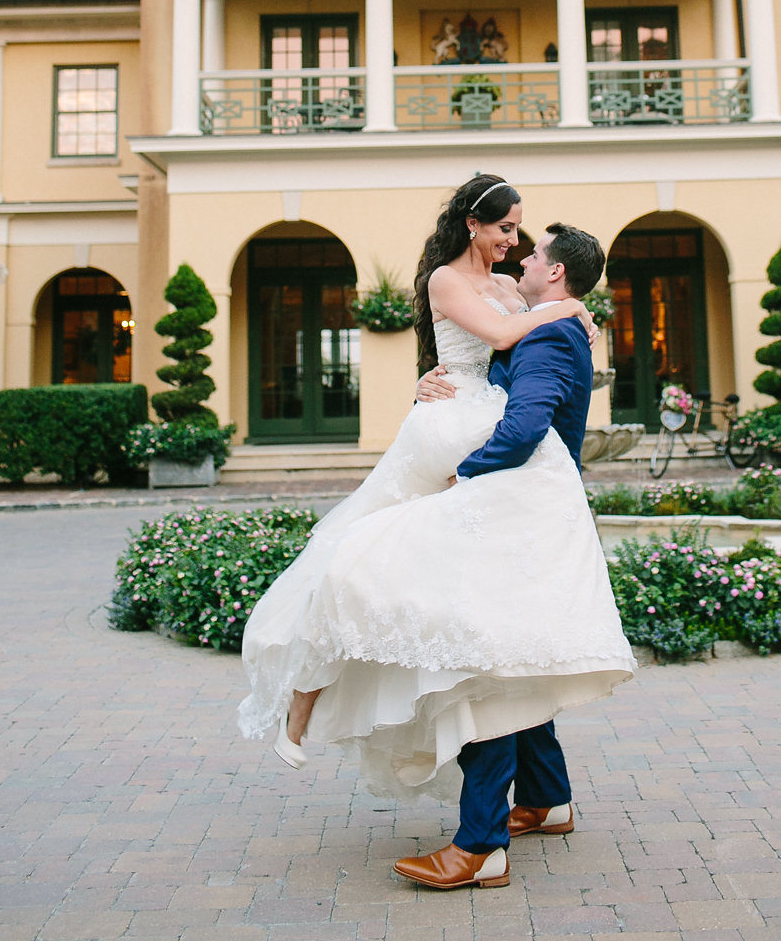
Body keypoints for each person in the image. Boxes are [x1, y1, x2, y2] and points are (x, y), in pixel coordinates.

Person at [237, 174, 633, 878]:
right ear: (476, 225)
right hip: (482, 459)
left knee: (487, 655)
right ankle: (546, 800)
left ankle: (483, 846)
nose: (517, 245)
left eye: (525, 239)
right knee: (491, 642)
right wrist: (441, 374)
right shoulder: (486, 292)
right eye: (508, 230)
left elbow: (522, 405)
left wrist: (470, 467)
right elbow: (489, 353)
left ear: (554, 269)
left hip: (500, 476)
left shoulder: (532, 305)